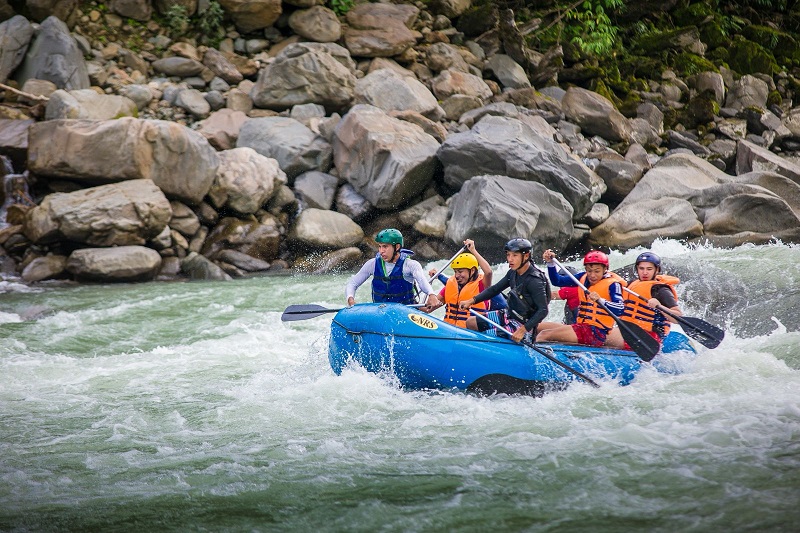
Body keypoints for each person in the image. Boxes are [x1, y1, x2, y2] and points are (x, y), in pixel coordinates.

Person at [458, 238, 550, 343]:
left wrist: (522, 330)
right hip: (508, 314)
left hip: (522, 325)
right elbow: (495, 289)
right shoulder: (513, 272)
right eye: (508, 255)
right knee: (470, 322)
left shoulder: (535, 280)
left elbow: (543, 310)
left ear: (526, 256)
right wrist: (471, 301)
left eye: (514, 255)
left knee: (485, 336)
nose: (510, 259)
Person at [536, 249, 627, 347]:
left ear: (605, 269)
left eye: (597, 271)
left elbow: (620, 309)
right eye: (589, 271)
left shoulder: (613, 284)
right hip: (582, 327)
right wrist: (550, 264)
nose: (592, 275)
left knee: (544, 335)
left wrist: (601, 301)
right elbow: (557, 281)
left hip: (595, 333)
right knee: (539, 330)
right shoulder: (583, 277)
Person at [346, 228, 440, 308]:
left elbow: (422, 281)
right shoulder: (372, 264)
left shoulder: (410, 265)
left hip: (405, 311)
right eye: (379, 247)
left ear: (397, 247)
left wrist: (431, 294)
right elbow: (353, 283)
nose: (381, 251)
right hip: (380, 311)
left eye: (385, 247)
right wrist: (350, 299)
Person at [607, 251, 683, 348]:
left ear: (657, 270)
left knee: (600, 336)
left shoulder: (661, 290)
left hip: (648, 338)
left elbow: (678, 317)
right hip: (629, 331)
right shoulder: (631, 284)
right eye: (641, 268)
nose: (645, 272)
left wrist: (659, 306)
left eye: (649, 269)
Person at [423, 239, 493, 329]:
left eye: (460, 271)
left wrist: (473, 250)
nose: (456, 275)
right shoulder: (451, 285)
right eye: (455, 271)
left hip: (470, 333)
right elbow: (428, 308)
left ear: (472, 271)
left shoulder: (481, 285)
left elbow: (489, 272)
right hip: (449, 330)